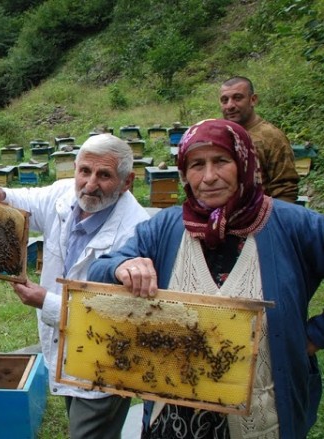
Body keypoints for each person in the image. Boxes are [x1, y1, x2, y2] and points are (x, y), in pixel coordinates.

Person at [88, 119, 324, 438]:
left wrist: (314, 334)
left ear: (244, 164)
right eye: (197, 164)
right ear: (185, 173)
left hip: (262, 416)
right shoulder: (164, 227)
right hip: (173, 420)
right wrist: (122, 267)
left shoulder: (294, 225)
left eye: (221, 161)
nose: (209, 176)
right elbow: (100, 269)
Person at [0, 134, 150, 439]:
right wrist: (1, 192)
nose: (90, 184)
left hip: (104, 362)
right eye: (84, 171)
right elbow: (27, 199)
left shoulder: (136, 231)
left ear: (127, 181)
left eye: (104, 175)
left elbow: (121, 318)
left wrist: (46, 301)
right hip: (66, 351)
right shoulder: (64, 196)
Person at [219, 76, 299, 203]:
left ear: (253, 100)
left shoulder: (272, 137)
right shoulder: (220, 134)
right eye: (224, 100)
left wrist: (274, 220)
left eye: (237, 98)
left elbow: (285, 190)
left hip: (261, 217)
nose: (230, 105)